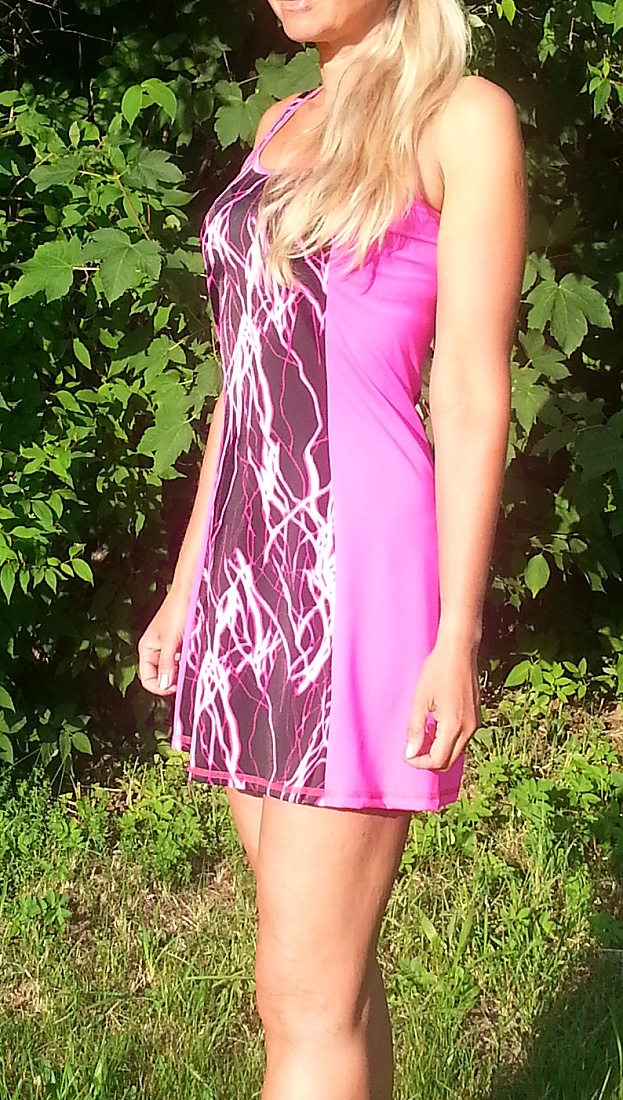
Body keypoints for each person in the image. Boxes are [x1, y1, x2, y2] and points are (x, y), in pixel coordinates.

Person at [138, 0, 527, 1095]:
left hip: (352, 576)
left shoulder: (459, 117)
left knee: (301, 997)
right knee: (327, 984)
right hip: (247, 575)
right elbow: (244, 378)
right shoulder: (281, 122)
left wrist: (455, 632)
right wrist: (186, 586)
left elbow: (468, 389)